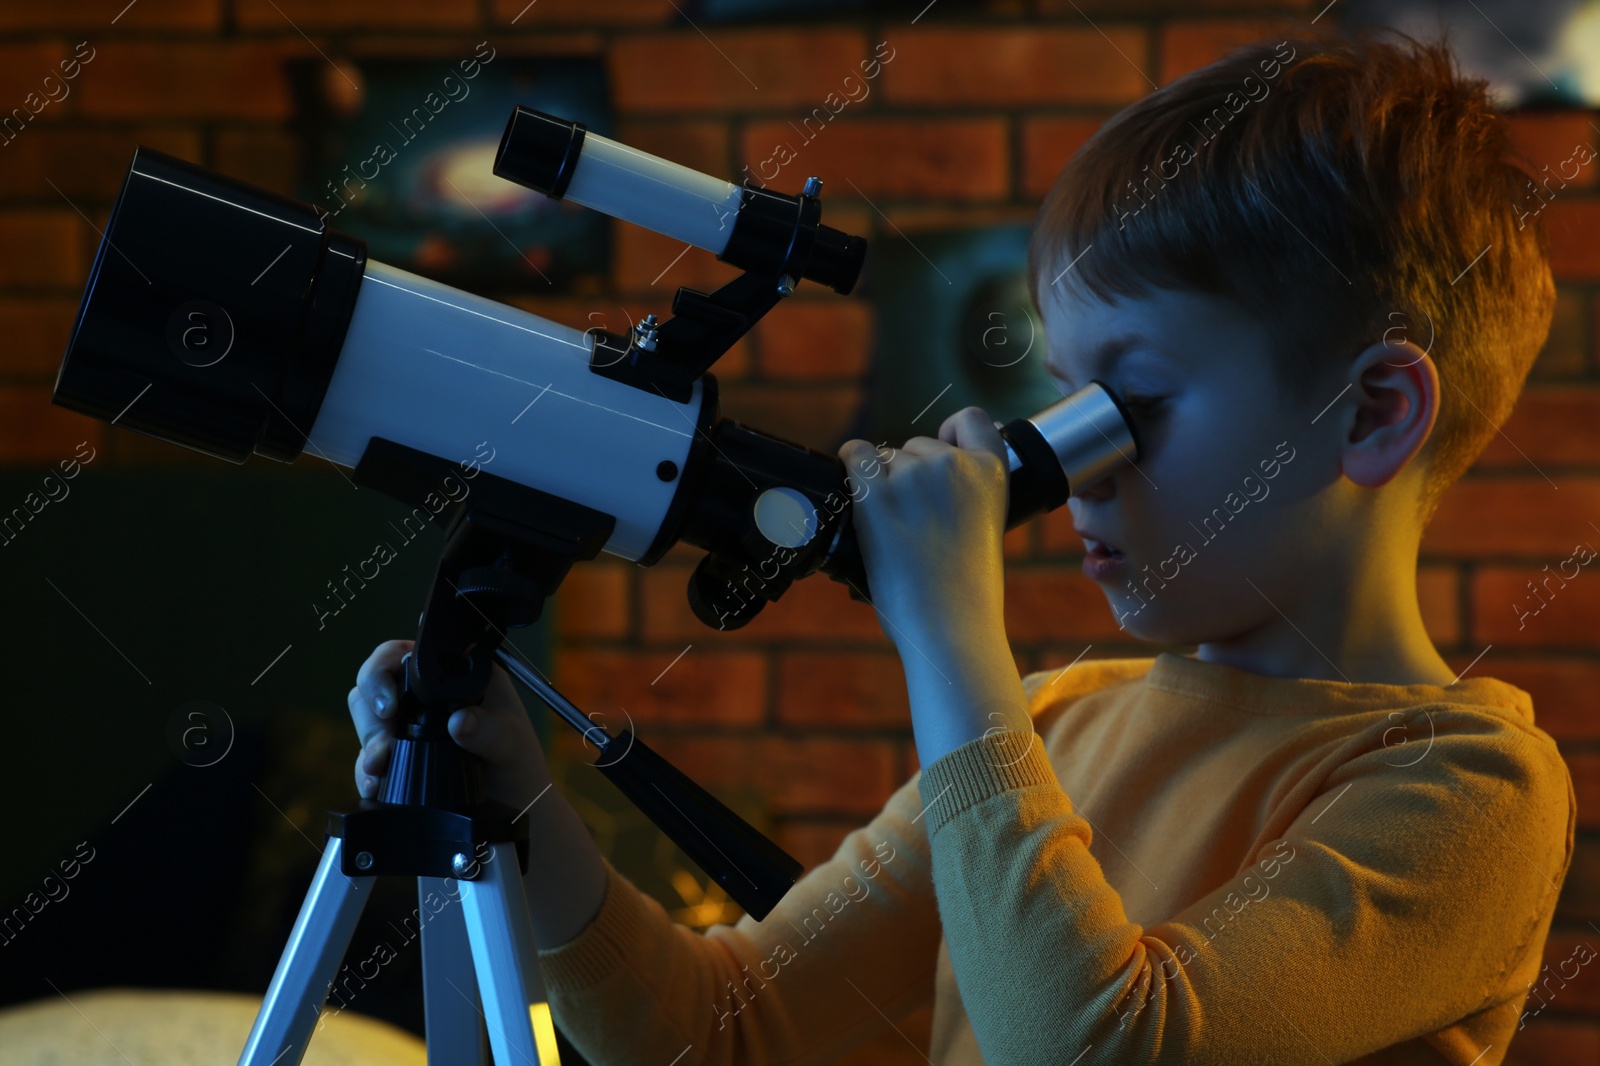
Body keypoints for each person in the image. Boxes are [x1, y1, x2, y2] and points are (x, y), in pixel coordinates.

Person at [345, 26, 1576, 1065]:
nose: (1075, 463)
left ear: (1368, 415)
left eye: (1130, 409)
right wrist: (524, 803)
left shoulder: (1465, 790)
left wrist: (948, 639)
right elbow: (723, 1033)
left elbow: (1096, 1044)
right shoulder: (1048, 726)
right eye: (1066, 399)